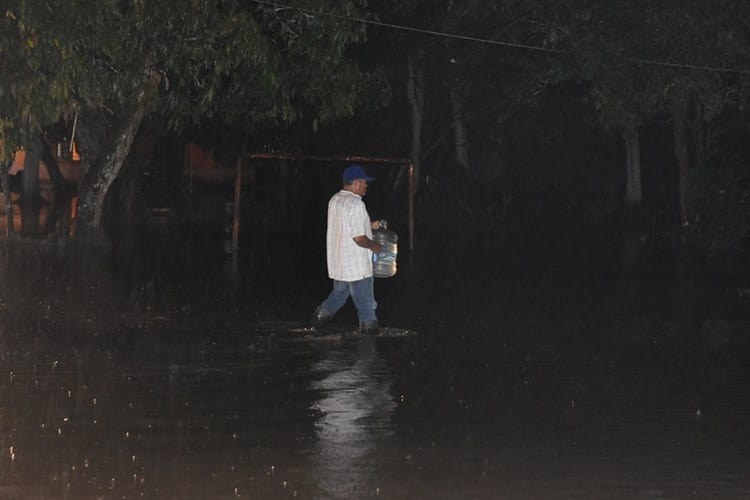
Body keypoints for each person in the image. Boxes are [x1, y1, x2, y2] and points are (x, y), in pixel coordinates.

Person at [309, 164, 384, 334]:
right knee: (366, 306)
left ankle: (314, 324)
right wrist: (375, 246)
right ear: (356, 182)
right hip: (357, 266)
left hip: (340, 263)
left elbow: (346, 226)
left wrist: (370, 225)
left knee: (337, 296)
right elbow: (358, 238)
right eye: (365, 182)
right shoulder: (357, 205)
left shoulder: (335, 200)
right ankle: (369, 342)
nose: (366, 185)